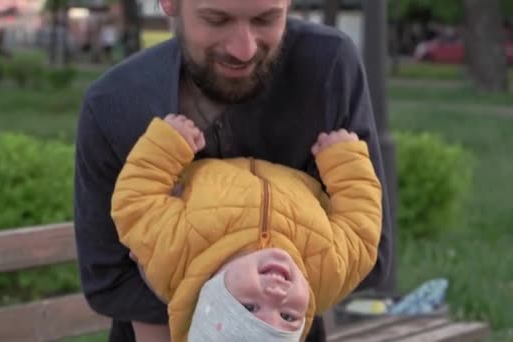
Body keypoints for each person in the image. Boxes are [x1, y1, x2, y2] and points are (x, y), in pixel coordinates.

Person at [73, 0, 393, 341]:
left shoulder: (326, 65)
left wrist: (172, 258)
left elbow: (372, 258)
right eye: (216, 19)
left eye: (266, 19)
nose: (244, 49)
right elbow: (109, 280)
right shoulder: (115, 105)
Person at [109, 114, 383, 341]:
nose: (276, 295)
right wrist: (344, 161)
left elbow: (135, 201)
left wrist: (169, 144)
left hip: (213, 145)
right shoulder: (327, 273)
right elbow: (361, 227)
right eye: (288, 317)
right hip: (293, 148)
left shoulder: (174, 253)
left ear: (211, 299)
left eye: (249, 307)